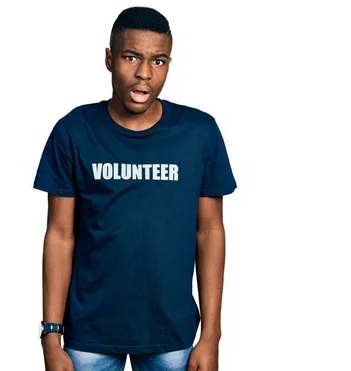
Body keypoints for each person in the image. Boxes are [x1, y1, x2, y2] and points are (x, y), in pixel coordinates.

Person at [33, 6, 237, 371]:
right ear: (109, 59)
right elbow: (60, 234)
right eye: (132, 57)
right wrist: (51, 335)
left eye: (158, 61)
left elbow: (209, 232)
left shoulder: (199, 132)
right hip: (88, 336)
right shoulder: (73, 131)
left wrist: (211, 336)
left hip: (172, 335)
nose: (144, 73)